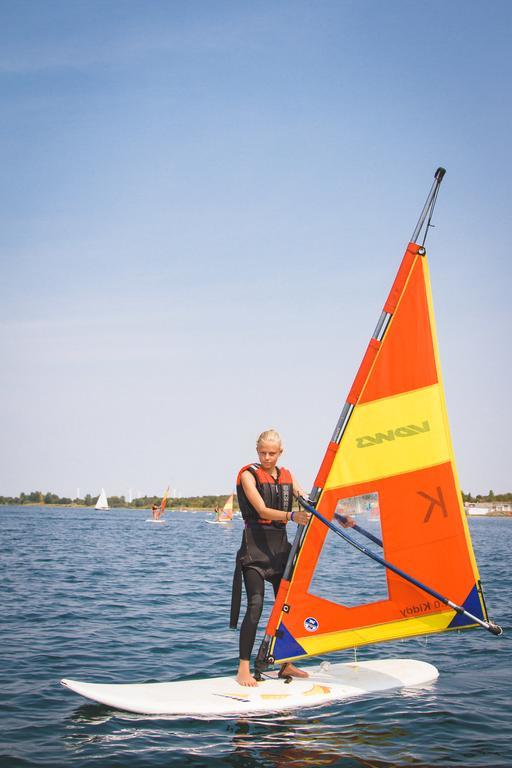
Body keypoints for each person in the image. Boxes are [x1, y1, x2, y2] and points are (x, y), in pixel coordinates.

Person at [230, 429, 312, 687]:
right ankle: (243, 667)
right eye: (262, 452)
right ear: (257, 451)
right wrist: (291, 517)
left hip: (280, 552)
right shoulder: (247, 475)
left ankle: (285, 664)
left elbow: (306, 500)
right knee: (255, 606)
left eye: (272, 453)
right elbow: (262, 509)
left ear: (280, 453)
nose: (267, 457)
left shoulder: (287, 475)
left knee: (287, 608)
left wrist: (340, 517)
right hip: (254, 551)